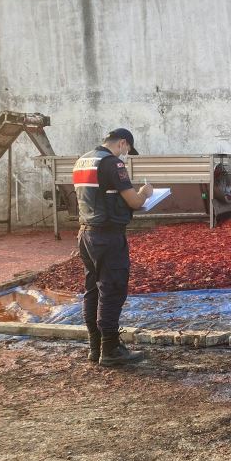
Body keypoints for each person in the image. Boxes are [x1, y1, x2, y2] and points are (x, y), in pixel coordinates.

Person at [72, 128, 153, 366]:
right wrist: (145, 193)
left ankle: (95, 347)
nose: (126, 154)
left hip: (86, 234)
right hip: (107, 236)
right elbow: (134, 202)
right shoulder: (112, 164)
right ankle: (111, 349)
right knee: (112, 289)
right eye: (127, 150)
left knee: (93, 290)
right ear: (122, 143)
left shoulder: (82, 161)